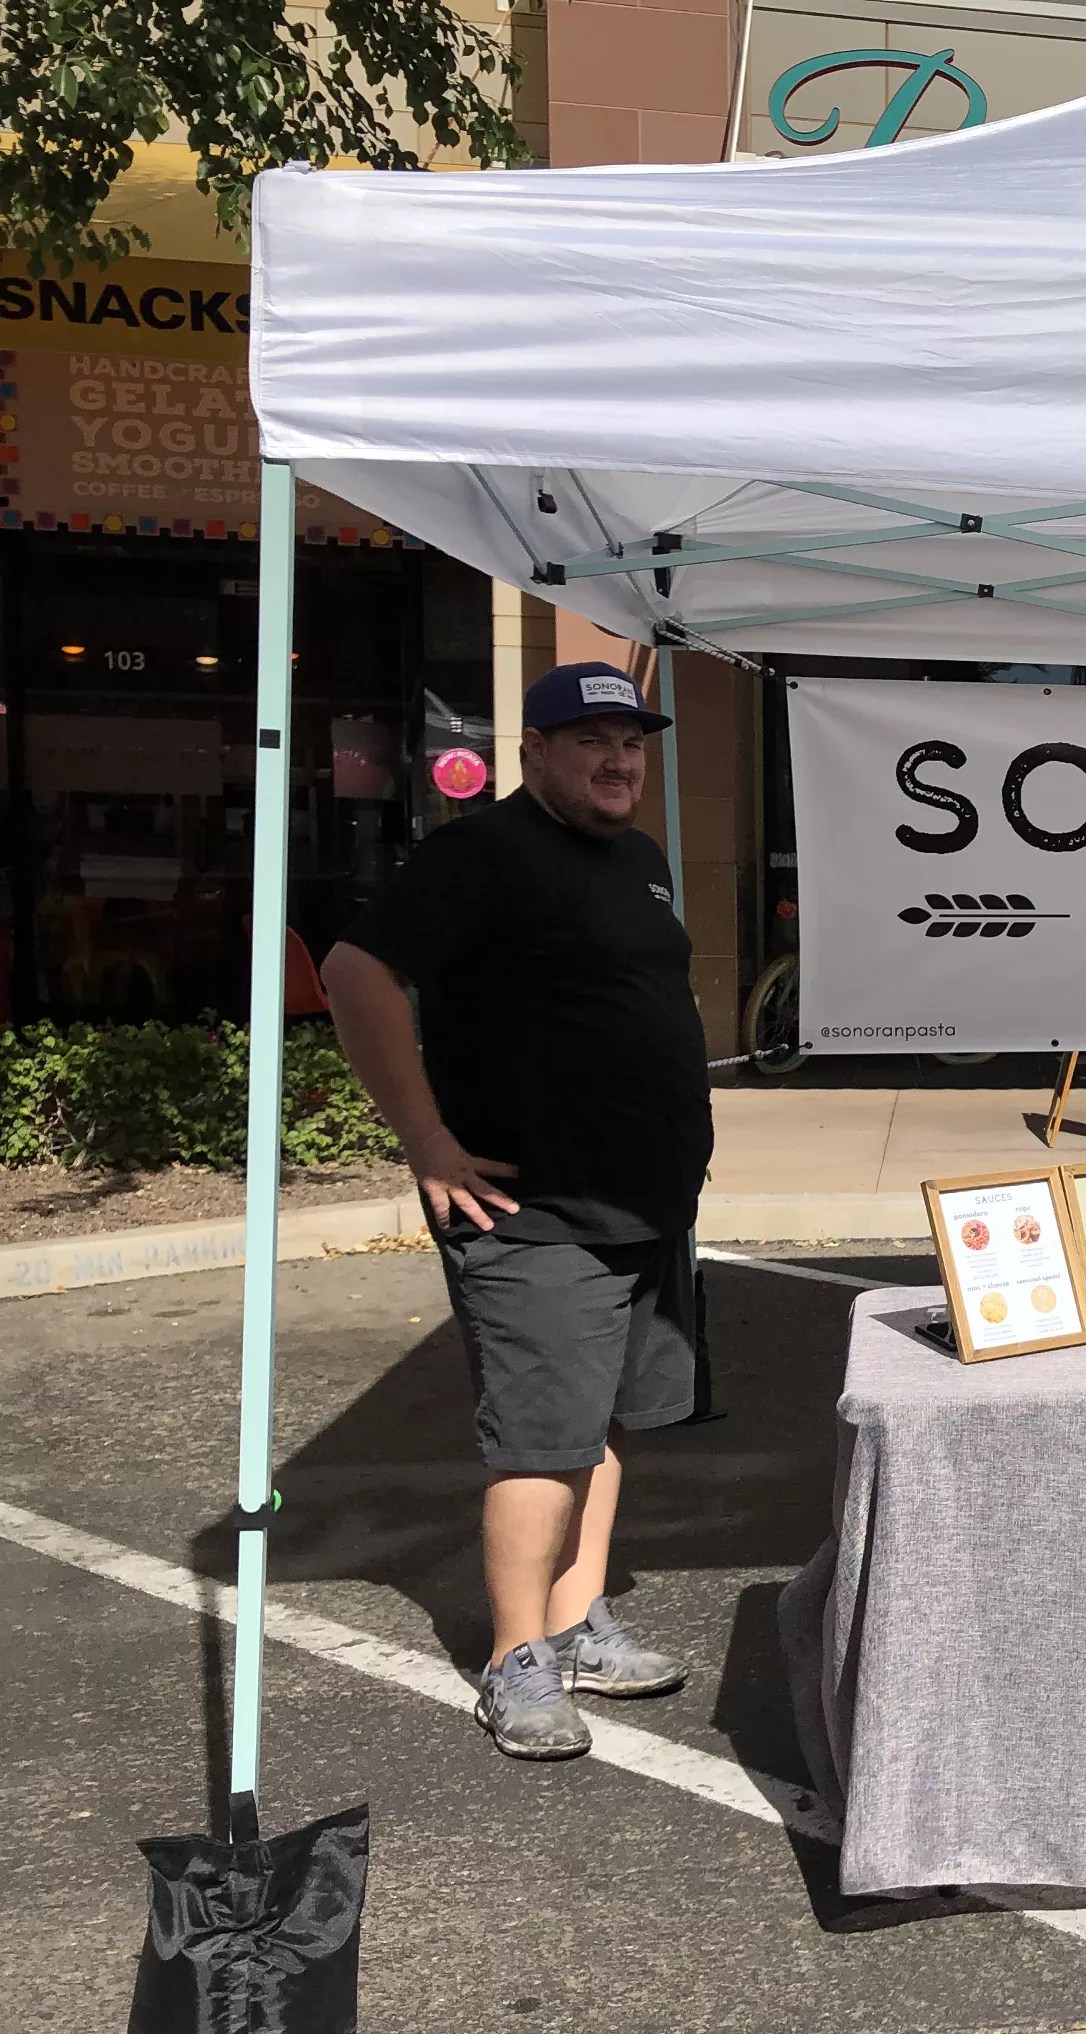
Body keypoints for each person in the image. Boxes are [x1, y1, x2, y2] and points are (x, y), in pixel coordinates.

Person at [324, 660, 712, 1761]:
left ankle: (577, 1624)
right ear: (534, 750)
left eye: (630, 742)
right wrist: (427, 1140)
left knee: (601, 1424)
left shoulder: (638, 860)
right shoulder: (480, 855)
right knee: (541, 1444)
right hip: (536, 1213)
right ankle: (516, 1658)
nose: (617, 760)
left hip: (643, 1205)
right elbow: (354, 973)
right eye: (589, 741)